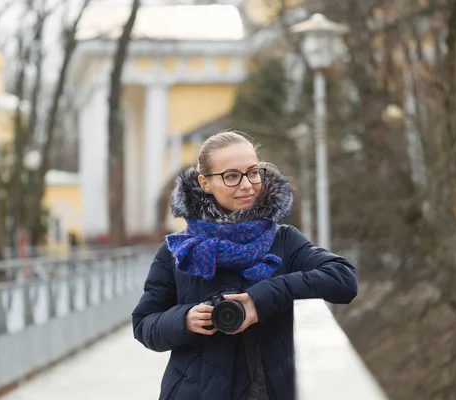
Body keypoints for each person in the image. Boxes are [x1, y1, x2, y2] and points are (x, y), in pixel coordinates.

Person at [132, 131, 357, 400]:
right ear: (205, 182)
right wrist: (185, 319)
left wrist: (260, 299)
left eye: (253, 172)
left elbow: (343, 279)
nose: (247, 184)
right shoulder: (179, 251)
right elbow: (145, 324)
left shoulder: (283, 240)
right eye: (231, 176)